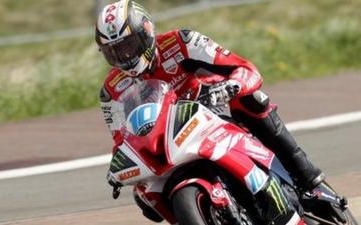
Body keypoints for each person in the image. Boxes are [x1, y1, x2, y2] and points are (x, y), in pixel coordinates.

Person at [95, 0, 324, 222]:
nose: (124, 57)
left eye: (128, 46)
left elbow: (244, 68)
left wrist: (233, 85)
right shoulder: (111, 90)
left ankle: (308, 178)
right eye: (113, 52)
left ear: (145, 33)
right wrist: (119, 166)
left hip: (212, 114)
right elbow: (121, 140)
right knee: (144, 198)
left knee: (252, 100)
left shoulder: (181, 42)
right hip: (166, 143)